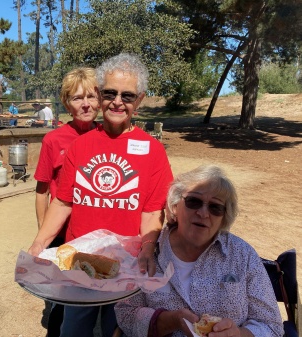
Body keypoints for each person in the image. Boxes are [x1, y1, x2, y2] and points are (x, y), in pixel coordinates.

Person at [28, 53, 173, 337]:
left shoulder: (153, 151)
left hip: (127, 264)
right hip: (81, 261)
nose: (118, 101)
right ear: (99, 93)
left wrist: (146, 250)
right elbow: (62, 201)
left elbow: (152, 211)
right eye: (110, 93)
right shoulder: (80, 147)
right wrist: (39, 243)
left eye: (127, 95)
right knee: (73, 330)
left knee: (117, 330)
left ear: (139, 100)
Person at [114, 165, 284, 337]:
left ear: (224, 217)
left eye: (215, 207)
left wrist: (239, 334)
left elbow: (271, 326)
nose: (203, 213)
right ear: (174, 206)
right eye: (193, 202)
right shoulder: (148, 254)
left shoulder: (242, 255)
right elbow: (126, 316)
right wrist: (171, 320)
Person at [34, 67, 100, 337]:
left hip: (96, 231)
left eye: (91, 96)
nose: (85, 104)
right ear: (66, 103)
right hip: (63, 232)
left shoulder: (108, 136)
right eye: (77, 98)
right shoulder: (54, 139)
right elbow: (41, 190)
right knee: (64, 299)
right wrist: (43, 234)